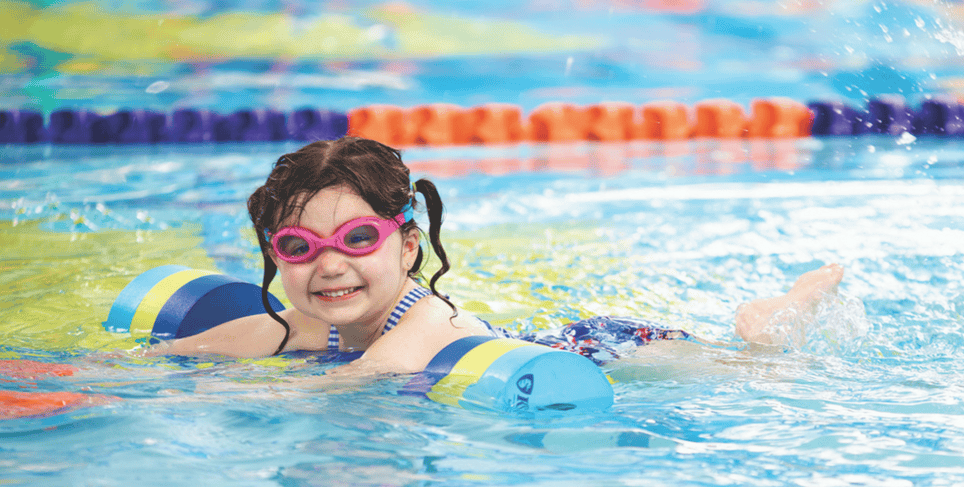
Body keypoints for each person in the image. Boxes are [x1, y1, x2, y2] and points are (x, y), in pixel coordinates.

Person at [151, 136, 845, 374]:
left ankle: (782, 310)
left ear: (409, 244)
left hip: (608, 352)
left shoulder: (420, 327)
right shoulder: (303, 323)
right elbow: (199, 351)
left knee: (757, 367)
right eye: (298, 249)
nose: (327, 265)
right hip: (534, 343)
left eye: (358, 240)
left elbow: (348, 385)